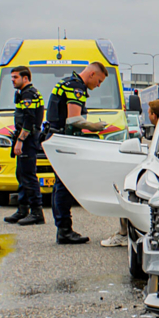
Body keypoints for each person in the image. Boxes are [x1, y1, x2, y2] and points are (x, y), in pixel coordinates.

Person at [46, 62, 109, 244]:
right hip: (62, 140)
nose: (98, 85)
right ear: (92, 74)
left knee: (60, 184)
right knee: (64, 185)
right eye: (99, 81)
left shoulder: (67, 82)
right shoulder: (76, 87)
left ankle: (63, 229)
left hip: (55, 137)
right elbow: (73, 119)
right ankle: (65, 231)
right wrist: (95, 126)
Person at [101, 98, 159, 248]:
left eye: (149, 113)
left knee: (129, 190)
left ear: (154, 115)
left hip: (158, 174)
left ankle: (124, 233)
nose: (148, 116)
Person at [3, 67, 46, 225]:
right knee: (21, 174)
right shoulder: (24, 93)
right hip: (26, 138)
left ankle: (36, 213)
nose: (13, 80)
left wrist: (20, 140)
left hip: (28, 139)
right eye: (12, 77)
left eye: (15, 77)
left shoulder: (29, 94)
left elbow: (29, 120)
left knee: (28, 175)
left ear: (25, 78)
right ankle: (22, 210)